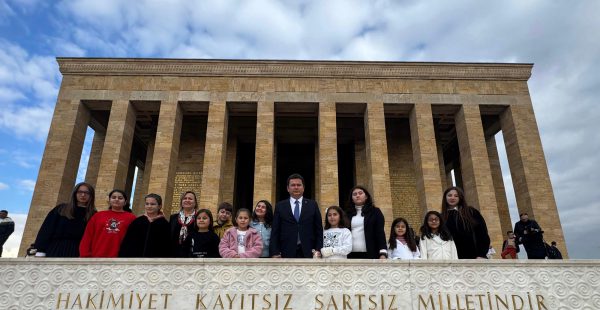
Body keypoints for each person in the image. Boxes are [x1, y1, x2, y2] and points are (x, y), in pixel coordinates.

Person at [33, 182, 97, 257]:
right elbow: (46, 229)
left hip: (79, 251)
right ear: (75, 193)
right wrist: (41, 249)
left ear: (91, 195)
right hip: (57, 248)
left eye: (87, 193)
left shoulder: (94, 214)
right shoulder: (61, 209)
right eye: (80, 192)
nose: (83, 195)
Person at [270, 173, 323, 258]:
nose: (296, 187)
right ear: (288, 188)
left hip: (309, 251)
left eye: (299, 185)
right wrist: (274, 252)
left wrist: (318, 249)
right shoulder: (280, 206)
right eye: (293, 185)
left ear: (303, 188)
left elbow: (319, 230)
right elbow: (275, 231)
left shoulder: (312, 205)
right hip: (286, 250)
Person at [79, 189, 136, 257]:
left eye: (120, 198)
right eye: (113, 197)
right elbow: (88, 236)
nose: (116, 199)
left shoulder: (131, 218)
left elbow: (134, 240)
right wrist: (85, 255)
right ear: (109, 200)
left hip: (120, 259)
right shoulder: (98, 216)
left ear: (125, 202)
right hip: (96, 256)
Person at [441, 186, 490, 259]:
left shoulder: (471, 212)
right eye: (449, 195)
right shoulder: (441, 217)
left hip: (474, 256)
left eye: (456, 196)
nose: (452, 198)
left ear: (460, 198)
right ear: (445, 197)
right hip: (452, 257)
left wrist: (481, 254)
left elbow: (482, 233)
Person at [343, 186, 387, 259]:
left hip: (371, 253)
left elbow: (380, 232)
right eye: (354, 194)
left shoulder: (375, 212)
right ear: (352, 199)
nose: (357, 195)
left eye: (360, 193)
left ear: (366, 196)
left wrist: (383, 252)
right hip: (350, 254)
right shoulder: (346, 214)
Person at [170, 191, 198, 257]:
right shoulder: (173, 218)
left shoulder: (199, 218)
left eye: (190, 199)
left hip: (192, 255)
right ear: (181, 202)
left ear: (195, 203)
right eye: (185, 198)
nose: (187, 200)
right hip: (173, 255)